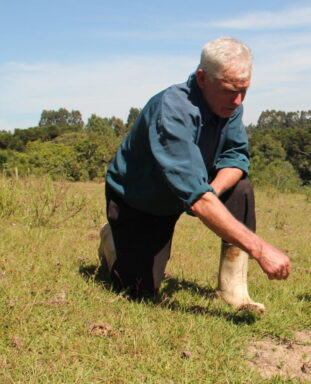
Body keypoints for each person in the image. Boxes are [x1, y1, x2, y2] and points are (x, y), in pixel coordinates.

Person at [98, 37, 291, 312]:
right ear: (202, 78)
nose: (238, 101)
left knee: (241, 188)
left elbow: (236, 157)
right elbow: (197, 199)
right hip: (143, 199)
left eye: (244, 91)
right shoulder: (173, 111)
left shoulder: (229, 104)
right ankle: (112, 239)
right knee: (139, 291)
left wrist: (211, 190)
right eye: (229, 90)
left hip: (193, 186)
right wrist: (260, 249)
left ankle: (234, 289)